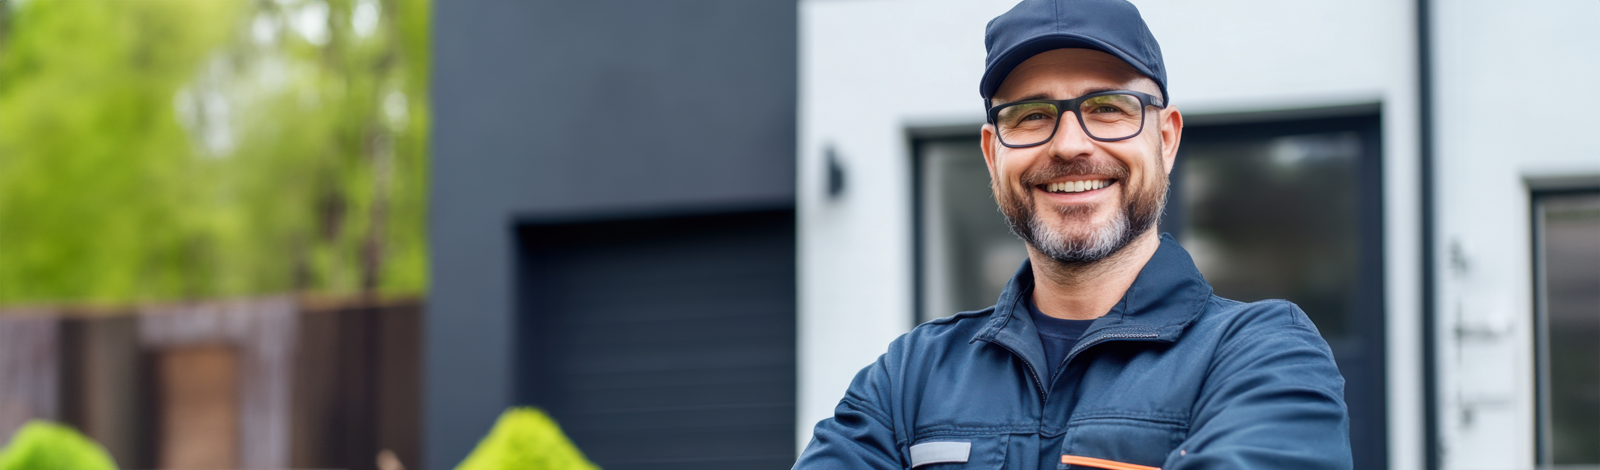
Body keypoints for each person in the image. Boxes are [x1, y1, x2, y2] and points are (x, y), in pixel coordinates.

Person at [792, 0, 1352, 468]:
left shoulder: (1262, 355)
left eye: (1108, 107)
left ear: (1167, 138)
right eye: (1031, 115)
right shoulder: (908, 380)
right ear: (993, 154)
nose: (1068, 145)